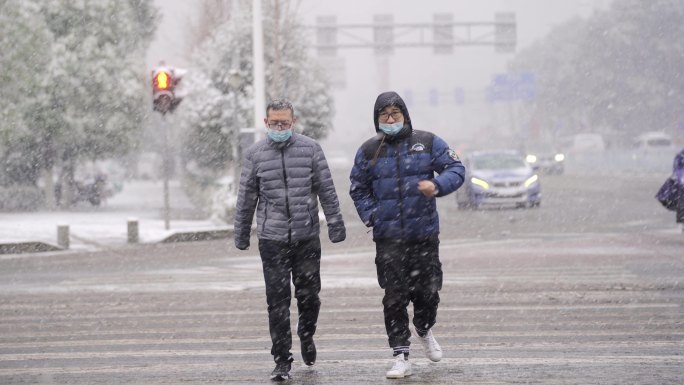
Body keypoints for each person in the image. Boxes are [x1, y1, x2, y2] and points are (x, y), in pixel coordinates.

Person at [349, 91, 465, 378]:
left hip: (423, 234)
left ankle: (424, 328)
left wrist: (437, 186)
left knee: (428, 293)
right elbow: (358, 188)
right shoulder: (368, 150)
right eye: (384, 115)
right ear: (377, 119)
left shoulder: (427, 142)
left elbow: (456, 169)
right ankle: (400, 353)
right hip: (388, 239)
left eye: (395, 114)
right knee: (394, 297)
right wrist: (373, 215)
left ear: (404, 115)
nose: (390, 119)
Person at [234, 99, 346, 381]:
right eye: (275, 123)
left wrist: (335, 224)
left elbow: (327, 191)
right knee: (277, 302)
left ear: (293, 122)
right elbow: (246, 197)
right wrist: (242, 232)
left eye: (284, 123)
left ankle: (306, 335)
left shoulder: (310, 149)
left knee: (309, 297)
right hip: (272, 240)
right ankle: (282, 359)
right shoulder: (255, 155)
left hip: (306, 237)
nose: (280, 128)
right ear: (266, 123)